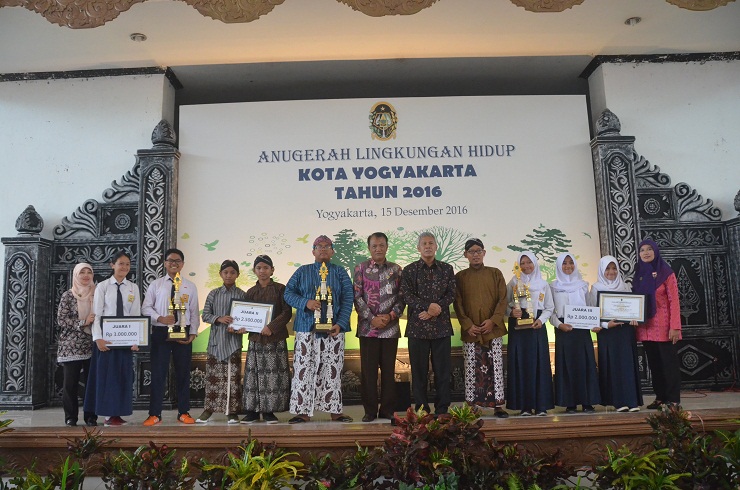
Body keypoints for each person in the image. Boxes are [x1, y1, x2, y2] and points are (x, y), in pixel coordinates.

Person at [284, 235, 354, 423]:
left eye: (327, 246)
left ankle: (335, 412)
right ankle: (303, 413)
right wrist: (305, 302)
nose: (323, 249)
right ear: (313, 251)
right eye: (319, 246)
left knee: (332, 369)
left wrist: (340, 323)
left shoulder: (340, 272)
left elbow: (348, 297)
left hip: (334, 329)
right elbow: (288, 293)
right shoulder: (302, 271)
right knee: (304, 368)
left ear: (332, 251)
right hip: (306, 328)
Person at [141, 248, 200, 426]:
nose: (174, 264)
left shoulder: (190, 286)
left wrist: (193, 332)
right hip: (161, 332)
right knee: (158, 373)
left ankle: (183, 412)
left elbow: (194, 311)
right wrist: (160, 318)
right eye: (170, 260)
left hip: (183, 331)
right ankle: (154, 414)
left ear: (182, 264)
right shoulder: (156, 285)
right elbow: (145, 308)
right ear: (165, 263)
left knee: (183, 373)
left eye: (178, 261)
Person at [400, 232, 455, 415]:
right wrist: (427, 307)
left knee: (443, 372)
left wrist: (437, 308)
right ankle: (422, 408)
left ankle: (442, 408)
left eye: (431, 243)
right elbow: (407, 295)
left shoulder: (447, 269)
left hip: (442, 327)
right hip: (418, 328)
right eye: (424, 243)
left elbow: (451, 293)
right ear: (418, 248)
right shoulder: (409, 270)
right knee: (419, 372)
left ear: (436, 246)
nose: (428, 246)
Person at [83, 251, 141, 427]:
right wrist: (98, 338)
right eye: (121, 263)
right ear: (112, 265)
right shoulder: (103, 287)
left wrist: (135, 339)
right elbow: (97, 314)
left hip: (124, 341)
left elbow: (135, 314)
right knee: (107, 378)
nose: (124, 267)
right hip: (106, 341)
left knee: (123, 376)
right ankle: (108, 415)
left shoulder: (133, 288)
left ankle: (118, 413)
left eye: (127, 264)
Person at [453, 238, 509, 418]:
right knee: (472, 368)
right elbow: (457, 302)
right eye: (471, 252)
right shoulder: (460, 277)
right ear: (465, 255)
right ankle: (472, 406)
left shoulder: (495, 273)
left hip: (492, 330)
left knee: (495, 369)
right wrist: (467, 324)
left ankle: (498, 406)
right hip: (472, 332)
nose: (475, 255)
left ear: (484, 253)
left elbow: (502, 300)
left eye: (478, 251)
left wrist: (493, 320)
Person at [353, 232, 405, 422]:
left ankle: (387, 410)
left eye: (381, 245)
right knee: (368, 372)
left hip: (390, 329)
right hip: (368, 329)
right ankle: (370, 411)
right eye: (374, 246)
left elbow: (402, 297)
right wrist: (371, 318)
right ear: (369, 248)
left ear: (387, 247)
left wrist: (391, 316)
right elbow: (357, 297)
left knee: (389, 371)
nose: (378, 249)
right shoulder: (360, 268)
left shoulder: (397, 269)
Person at [241, 255, 293, 424]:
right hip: (256, 340)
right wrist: (242, 325)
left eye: (265, 268)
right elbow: (245, 315)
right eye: (259, 268)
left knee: (273, 376)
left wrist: (271, 327)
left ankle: (270, 411)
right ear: (254, 271)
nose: (262, 271)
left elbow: (286, 312)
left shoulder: (280, 289)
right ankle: (252, 412)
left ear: (272, 270)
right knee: (253, 375)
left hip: (275, 339)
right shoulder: (251, 292)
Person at [587, 255, 643, 412]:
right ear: (601, 270)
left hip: (625, 332)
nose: (611, 272)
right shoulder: (596, 287)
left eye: (614, 268)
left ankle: (632, 401)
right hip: (608, 332)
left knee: (627, 365)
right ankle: (618, 401)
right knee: (613, 366)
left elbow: (633, 307)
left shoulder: (625, 286)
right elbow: (592, 312)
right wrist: (605, 324)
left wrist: (634, 319)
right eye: (607, 269)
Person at [632, 239, 682, 409]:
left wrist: (675, 327)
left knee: (669, 364)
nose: (646, 253)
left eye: (649, 249)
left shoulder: (666, 273)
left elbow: (674, 301)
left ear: (656, 251)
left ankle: (673, 399)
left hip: (664, 327)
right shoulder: (638, 274)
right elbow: (635, 301)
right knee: (654, 364)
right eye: (642, 250)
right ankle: (660, 397)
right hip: (646, 328)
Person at [197, 259, 247, 424]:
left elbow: (246, 317)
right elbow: (205, 315)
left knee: (232, 378)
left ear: (237, 275)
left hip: (233, 343)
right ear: (220, 274)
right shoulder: (213, 293)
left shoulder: (241, 295)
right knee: (213, 378)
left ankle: (231, 412)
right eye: (225, 272)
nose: (229, 275)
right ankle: (208, 410)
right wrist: (219, 318)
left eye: (232, 272)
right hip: (216, 342)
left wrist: (242, 327)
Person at [550, 253, 601, 413]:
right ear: (559, 266)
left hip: (582, 330)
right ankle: (569, 402)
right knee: (567, 365)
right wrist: (559, 325)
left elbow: (592, 307)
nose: (568, 266)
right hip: (564, 330)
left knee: (585, 364)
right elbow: (551, 311)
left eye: (571, 263)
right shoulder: (553, 286)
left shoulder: (584, 285)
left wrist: (594, 323)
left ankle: (587, 402)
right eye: (564, 263)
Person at [506, 251, 554, 417]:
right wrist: (511, 313)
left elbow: (549, 307)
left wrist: (542, 320)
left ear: (535, 263)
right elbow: (505, 305)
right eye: (523, 263)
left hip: (536, 326)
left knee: (539, 364)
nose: (526, 266)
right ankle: (524, 406)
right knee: (521, 364)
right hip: (518, 328)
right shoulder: (513, 281)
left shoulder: (543, 284)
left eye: (529, 263)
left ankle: (541, 405)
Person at [56, 262, 97, 427]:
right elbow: (61, 319)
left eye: (89, 272)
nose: (86, 276)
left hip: (93, 343)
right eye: (82, 272)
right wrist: (83, 322)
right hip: (71, 345)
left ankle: (91, 417)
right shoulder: (68, 295)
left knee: (91, 383)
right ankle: (71, 417)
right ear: (76, 275)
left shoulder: (97, 294)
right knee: (70, 384)